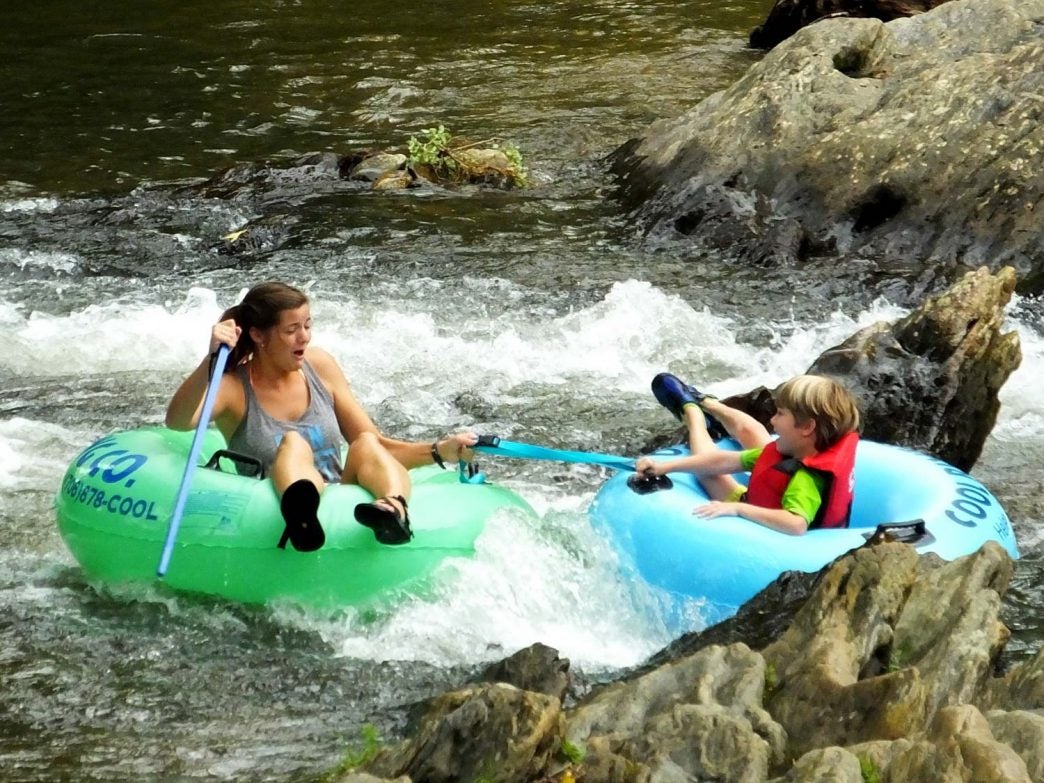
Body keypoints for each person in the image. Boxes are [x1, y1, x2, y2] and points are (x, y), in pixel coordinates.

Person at [166, 282, 476, 551]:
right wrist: (210, 358)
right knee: (293, 443)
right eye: (291, 330)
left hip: (340, 493)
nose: (304, 338)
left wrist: (440, 450)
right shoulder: (233, 386)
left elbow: (379, 446)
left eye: (307, 326)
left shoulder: (320, 366)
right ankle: (301, 515)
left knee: (366, 442)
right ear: (259, 336)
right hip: (268, 510)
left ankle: (393, 509)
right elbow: (178, 421)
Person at [635, 373, 861, 535]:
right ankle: (707, 402)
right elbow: (721, 461)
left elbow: (795, 524)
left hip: (754, 506)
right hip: (774, 488)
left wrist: (737, 508)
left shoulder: (806, 480)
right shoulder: (802, 447)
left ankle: (693, 414)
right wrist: (666, 466)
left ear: (807, 427)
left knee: (707, 475)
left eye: (780, 414)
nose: (772, 420)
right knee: (756, 437)